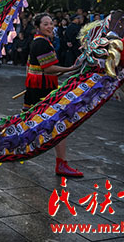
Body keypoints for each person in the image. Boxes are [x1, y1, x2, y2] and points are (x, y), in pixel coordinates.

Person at [24, 13, 83, 177]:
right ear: (38, 27)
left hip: (37, 90)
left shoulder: (41, 41)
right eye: (45, 24)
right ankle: (61, 164)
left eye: (51, 23)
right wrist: (71, 69)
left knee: (32, 127)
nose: (50, 26)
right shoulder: (41, 43)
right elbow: (48, 68)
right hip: (41, 93)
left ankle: (60, 162)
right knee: (59, 126)